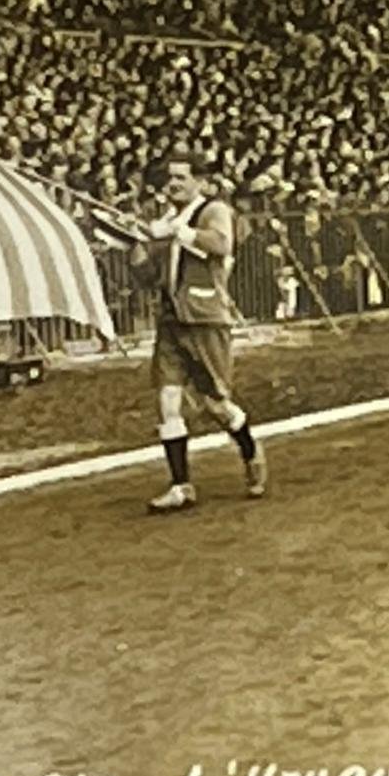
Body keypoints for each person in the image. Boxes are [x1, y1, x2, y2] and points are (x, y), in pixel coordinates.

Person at [137, 149, 267, 513]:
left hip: (206, 319)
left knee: (216, 405)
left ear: (200, 181)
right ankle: (181, 485)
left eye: (181, 177)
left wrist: (176, 231)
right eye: (169, 178)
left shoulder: (213, 210)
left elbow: (221, 244)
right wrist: (136, 247)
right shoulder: (165, 219)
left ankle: (250, 451)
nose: (173, 184)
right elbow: (149, 277)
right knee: (167, 401)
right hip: (171, 321)